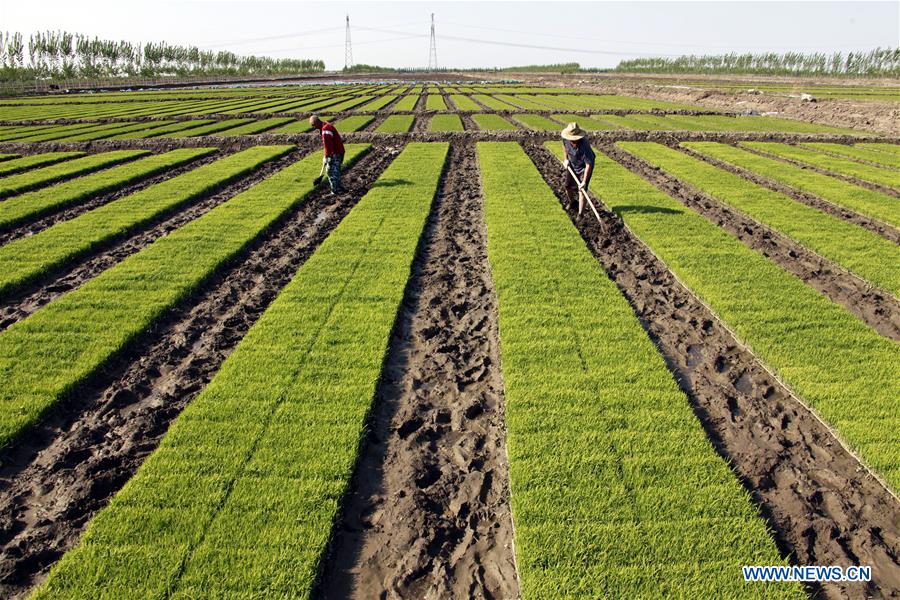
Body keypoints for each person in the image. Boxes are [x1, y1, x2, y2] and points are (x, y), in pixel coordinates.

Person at [560, 122, 595, 216]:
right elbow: (564, 147)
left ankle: (580, 214)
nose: (573, 142)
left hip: (584, 167)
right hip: (572, 163)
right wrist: (566, 159)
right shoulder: (566, 139)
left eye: (575, 140)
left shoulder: (585, 145)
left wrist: (584, 181)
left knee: (582, 191)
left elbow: (589, 164)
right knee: (567, 186)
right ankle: (572, 202)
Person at [309, 115, 346, 195]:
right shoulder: (325, 125)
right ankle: (338, 187)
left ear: (317, 122)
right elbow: (327, 145)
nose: (313, 127)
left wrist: (327, 156)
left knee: (331, 171)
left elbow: (328, 145)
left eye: (313, 125)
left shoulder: (325, 130)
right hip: (338, 151)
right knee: (336, 171)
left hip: (336, 153)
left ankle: (335, 190)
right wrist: (326, 155)